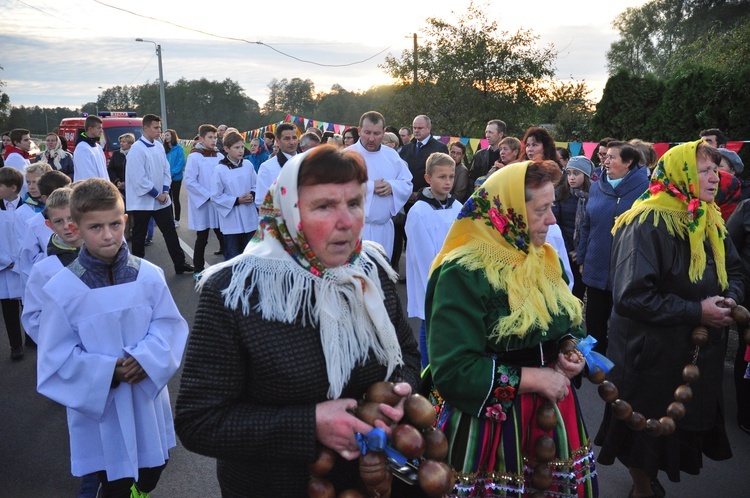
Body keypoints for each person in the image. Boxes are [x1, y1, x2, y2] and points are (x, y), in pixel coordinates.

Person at [174, 144, 421, 496]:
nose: (347, 221)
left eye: (354, 203)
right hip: (275, 485)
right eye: (324, 206)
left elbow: (407, 356)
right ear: (290, 211)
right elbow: (199, 421)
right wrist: (308, 426)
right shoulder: (235, 290)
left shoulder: (370, 271)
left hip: (371, 480)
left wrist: (399, 393)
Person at [427, 160, 597, 497]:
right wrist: (535, 378)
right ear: (509, 213)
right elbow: (453, 369)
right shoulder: (465, 272)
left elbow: (565, 323)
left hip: (554, 408)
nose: (552, 219)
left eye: (553, 208)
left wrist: (568, 349)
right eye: (542, 210)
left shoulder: (544, 258)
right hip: (494, 422)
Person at [596, 141, 742, 497]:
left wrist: (730, 298)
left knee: (675, 432)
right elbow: (631, 296)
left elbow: (735, 270)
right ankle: (642, 488)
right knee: (642, 433)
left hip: (691, 351)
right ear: (682, 174)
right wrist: (698, 311)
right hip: (648, 356)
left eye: (716, 169)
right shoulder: (646, 221)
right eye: (706, 170)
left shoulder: (708, 216)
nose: (716, 178)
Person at [35, 178, 188, 498]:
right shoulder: (63, 289)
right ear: (76, 228)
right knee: (113, 479)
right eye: (95, 227)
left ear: (126, 222)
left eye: (114, 224)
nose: (107, 235)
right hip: (101, 407)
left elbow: (169, 326)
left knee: (152, 468)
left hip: (144, 396)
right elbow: (55, 357)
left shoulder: (148, 275)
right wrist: (108, 372)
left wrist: (145, 358)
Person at [577, 141, 649, 354]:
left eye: (612, 157)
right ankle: (595, 366)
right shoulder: (598, 186)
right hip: (596, 266)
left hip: (628, 272)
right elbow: (586, 225)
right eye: (605, 156)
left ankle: (620, 370)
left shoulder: (646, 191)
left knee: (622, 326)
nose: (605, 161)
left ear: (628, 162)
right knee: (595, 322)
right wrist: (582, 258)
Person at [405, 152, 461, 369]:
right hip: (434, 281)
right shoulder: (419, 211)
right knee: (430, 327)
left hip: (456, 280)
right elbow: (424, 256)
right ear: (428, 179)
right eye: (442, 177)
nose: (447, 182)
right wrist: (439, 283)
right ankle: (428, 376)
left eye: (451, 176)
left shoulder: (457, 207)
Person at [125, 114, 194, 274]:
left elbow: (165, 170)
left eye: (159, 127)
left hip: (160, 200)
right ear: (145, 128)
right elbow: (139, 179)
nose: (159, 131)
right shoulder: (136, 149)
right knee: (139, 236)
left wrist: (164, 190)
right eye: (156, 127)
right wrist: (157, 194)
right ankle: (136, 269)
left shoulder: (158, 146)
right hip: (143, 201)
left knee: (170, 231)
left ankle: (180, 263)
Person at [348, 111, 412, 261]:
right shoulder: (347, 156)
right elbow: (335, 188)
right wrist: (369, 186)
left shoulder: (391, 155)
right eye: (367, 132)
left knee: (381, 278)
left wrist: (392, 186)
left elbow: (407, 183)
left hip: (384, 229)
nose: (371, 138)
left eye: (377, 133)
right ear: (359, 131)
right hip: (355, 230)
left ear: (384, 132)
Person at [185, 124, 225, 279]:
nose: (214, 140)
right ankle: (198, 268)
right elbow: (190, 181)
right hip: (204, 203)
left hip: (217, 202)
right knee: (202, 237)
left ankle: (228, 265)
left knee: (222, 234)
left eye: (215, 137)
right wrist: (208, 195)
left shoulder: (220, 156)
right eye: (210, 137)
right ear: (201, 138)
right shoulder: (194, 156)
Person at [212, 131, 258, 260]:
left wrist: (252, 194)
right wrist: (237, 200)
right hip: (232, 221)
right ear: (226, 149)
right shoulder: (220, 170)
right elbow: (216, 196)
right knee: (233, 256)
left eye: (242, 147)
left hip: (249, 218)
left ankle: (250, 280)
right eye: (236, 147)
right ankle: (233, 280)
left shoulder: (248, 165)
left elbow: (256, 184)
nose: (241, 150)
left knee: (251, 254)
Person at [726, 194, 750, 437]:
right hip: (748, 300)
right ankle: (746, 413)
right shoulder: (746, 208)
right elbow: (727, 251)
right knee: (747, 354)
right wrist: (736, 292)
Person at [553, 156, 593, 300]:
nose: (571, 178)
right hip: (565, 250)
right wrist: (569, 249)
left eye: (576, 173)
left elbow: (592, 226)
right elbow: (556, 223)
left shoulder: (594, 195)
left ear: (586, 175)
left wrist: (581, 251)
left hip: (585, 251)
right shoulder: (561, 193)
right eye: (569, 173)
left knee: (578, 292)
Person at [0, 167, 26, 360]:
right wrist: (4, 260)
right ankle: (15, 344)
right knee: (8, 307)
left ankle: (33, 338)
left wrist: (19, 260)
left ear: (13, 187)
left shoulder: (27, 209)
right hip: (4, 267)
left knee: (28, 305)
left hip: (23, 266)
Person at [399, 115, 449, 204]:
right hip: (405, 200)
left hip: (429, 201)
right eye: (414, 128)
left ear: (429, 128)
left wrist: (420, 194)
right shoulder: (406, 149)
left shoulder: (440, 148)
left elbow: (442, 175)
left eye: (420, 128)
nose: (416, 130)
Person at [255, 123, 298, 209]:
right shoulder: (267, 167)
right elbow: (261, 201)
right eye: (287, 139)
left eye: (294, 138)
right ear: (277, 141)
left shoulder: (306, 161)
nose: (292, 142)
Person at [468, 119, 506, 185]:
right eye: (486, 132)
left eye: (490, 132)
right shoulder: (479, 155)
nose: (487, 135)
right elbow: (471, 178)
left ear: (501, 134)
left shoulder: (508, 155)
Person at [73, 115, 108, 182]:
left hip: (102, 188)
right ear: (90, 129)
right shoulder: (82, 148)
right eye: (99, 128)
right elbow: (86, 174)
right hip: (90, 189)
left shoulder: (98, 147)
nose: (101, 131)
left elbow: (104, 172)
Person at [163, 129, 186, 228]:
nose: (166, 137)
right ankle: (170, 218)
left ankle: (177, 219)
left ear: (172, 136)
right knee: (168, 198)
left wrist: (172, 173)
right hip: (166, 178)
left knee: (175, 198)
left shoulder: (179, 148)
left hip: (176, 178)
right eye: (165, 135)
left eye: (167, 135)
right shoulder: (163, 148)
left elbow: (181, 162)